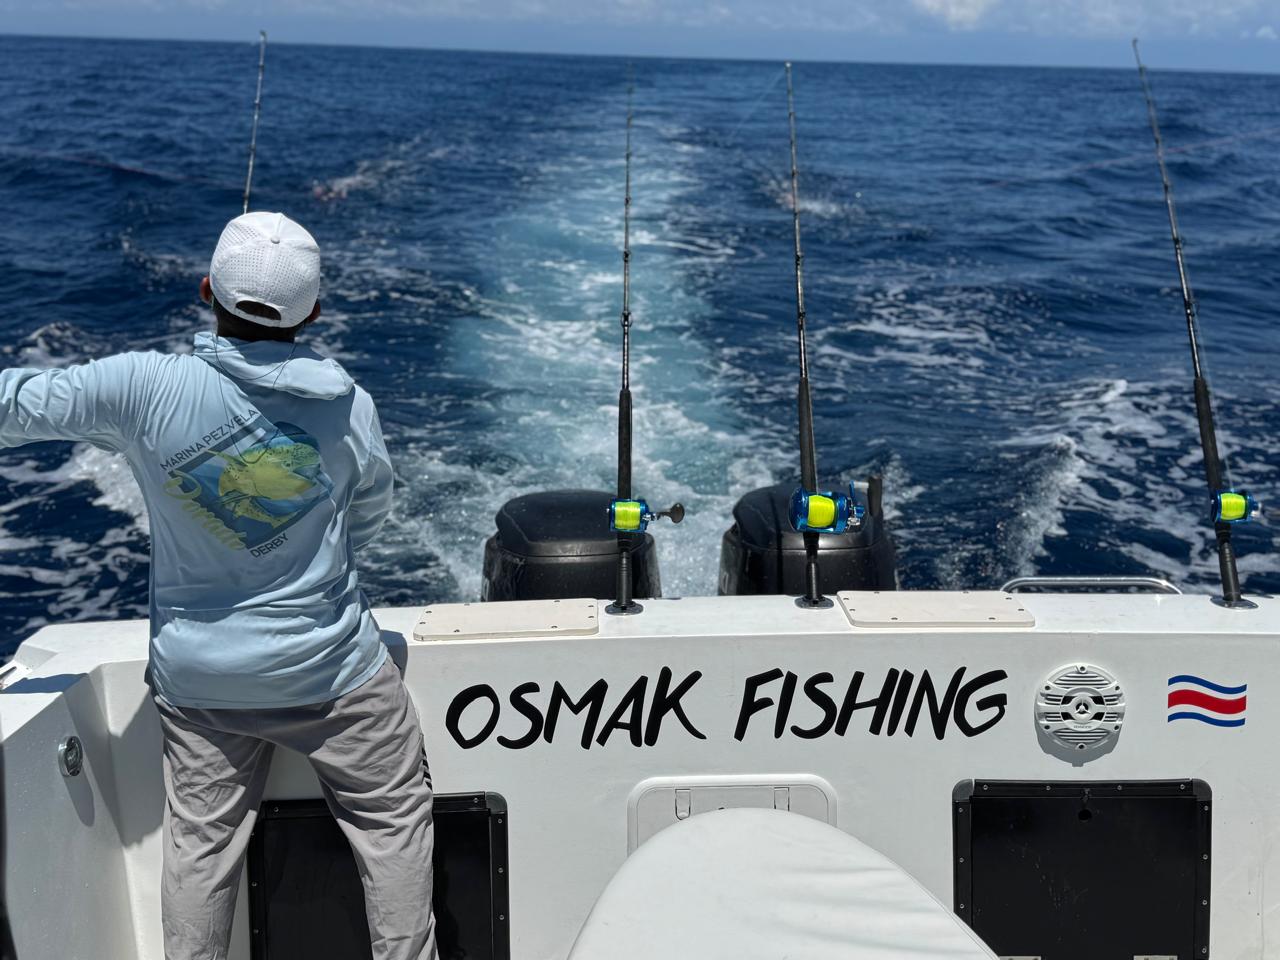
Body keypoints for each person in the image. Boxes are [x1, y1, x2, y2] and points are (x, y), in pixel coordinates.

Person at [0, 212, 436, 960]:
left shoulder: (142, 386)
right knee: (394, 818)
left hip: (202, 684)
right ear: (316, 313)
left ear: (207, 291)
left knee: (201, 851)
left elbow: (16, 407)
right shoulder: (347, 406)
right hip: (332, 673)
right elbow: (371, 505)